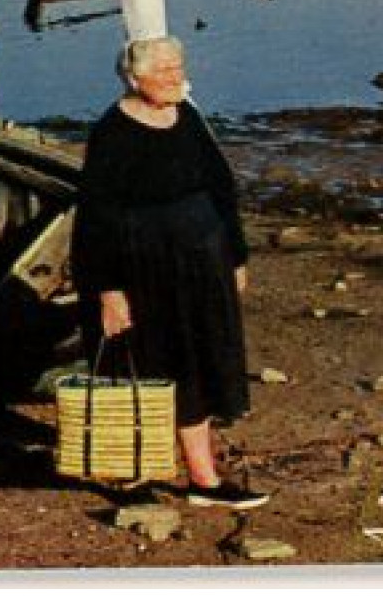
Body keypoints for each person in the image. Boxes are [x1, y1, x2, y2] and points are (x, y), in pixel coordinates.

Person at [72, 36, 267, 509]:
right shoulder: (113, 132)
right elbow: (96, 217)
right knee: (146, 365)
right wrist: (108, 290)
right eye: (165, 71)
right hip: (142, 268)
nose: (177, 77)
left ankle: (204, 480)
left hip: (201, 263)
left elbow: (222, 188)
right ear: (136, 79)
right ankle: (135, 477)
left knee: (195, 366)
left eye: (178, 67)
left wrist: (235, 257)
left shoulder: (188, 117)